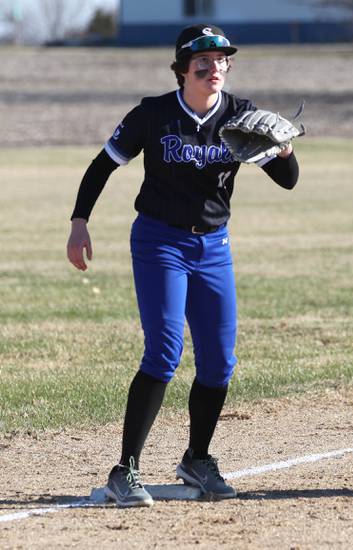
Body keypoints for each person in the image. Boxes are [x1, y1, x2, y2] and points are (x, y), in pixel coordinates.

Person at [66, 24, 300, 507]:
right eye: (203, 60)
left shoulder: (239, 115)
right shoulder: (153, 114)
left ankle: (197, 457)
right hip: (159, 242)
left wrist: (285, 149)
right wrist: (79, 221)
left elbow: (288, 181)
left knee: (218, 361)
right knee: (165, 351)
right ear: (181, 69)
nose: (214, 67)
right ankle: (124, 470)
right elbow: (102, 165)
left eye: (221, 60)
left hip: (213, 246)